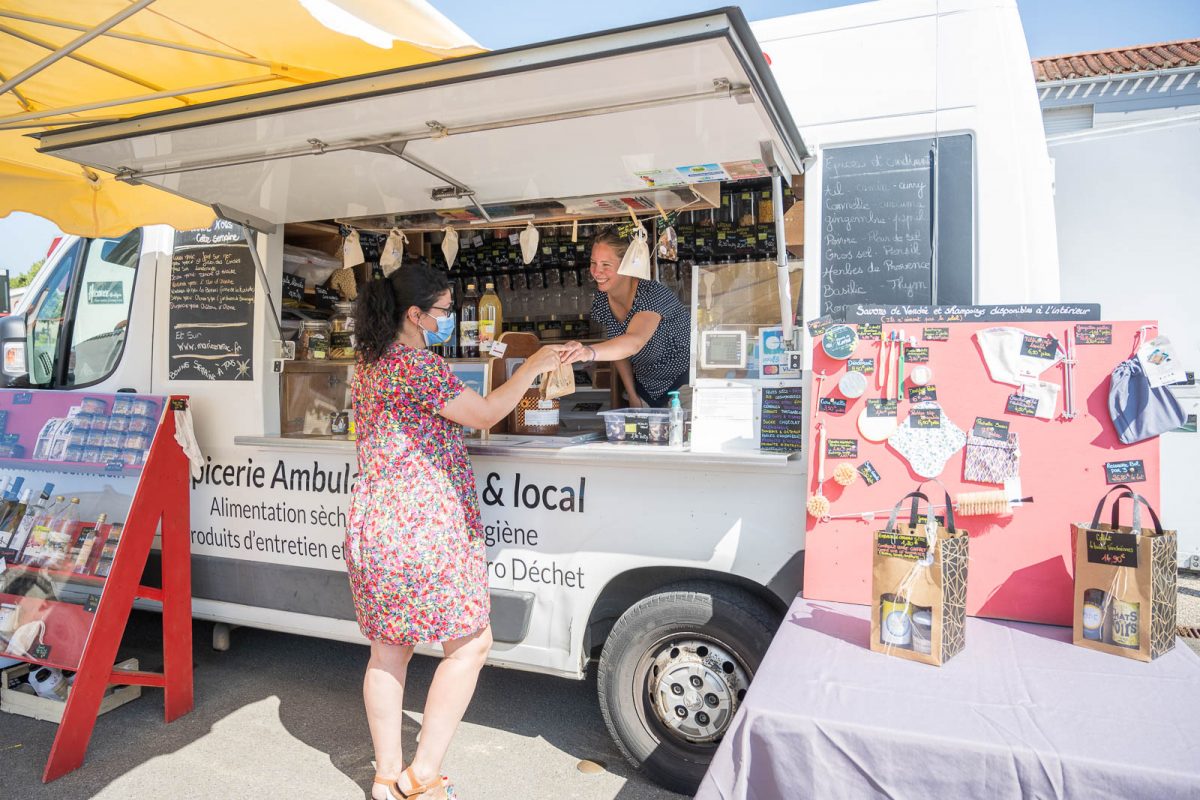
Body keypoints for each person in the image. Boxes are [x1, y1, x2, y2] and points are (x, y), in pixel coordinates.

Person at [348, 263, 562, 800]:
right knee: (470, 644)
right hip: (426, 527)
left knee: (387, 652)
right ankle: (421, 777)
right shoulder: (418, 367)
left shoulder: (369, 363)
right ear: (416, 315)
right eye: (444, 311)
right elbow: (487, 411)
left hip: (376, 525)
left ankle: (384, 776)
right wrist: (532, 364)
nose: (450, 319)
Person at [561, 227, 690, 408]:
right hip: (647, 388)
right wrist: (632, 395)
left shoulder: (652, 294)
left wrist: (588, 352)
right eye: (593, 263)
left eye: (606, 265)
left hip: (685, 384)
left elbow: (633, 342)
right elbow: (619, 350)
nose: (597, 272)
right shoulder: (603, 300)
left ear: (627, 265)